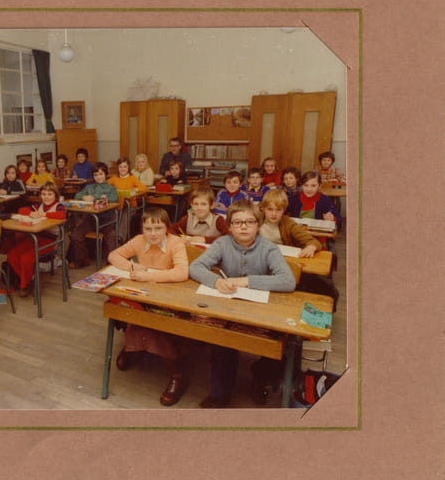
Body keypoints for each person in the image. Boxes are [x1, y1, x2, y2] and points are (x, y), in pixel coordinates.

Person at [189, 200, 296, 407]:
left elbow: (288, 280)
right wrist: (217, 281)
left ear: (258, 225)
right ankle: (220, 395)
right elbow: (196, 267)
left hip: (259, 309)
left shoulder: (269, 248)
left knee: (277, 343)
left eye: (249, 222)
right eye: (237, 223)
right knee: (222, 340)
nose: (244, 227)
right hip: (229, 306)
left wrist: (246, 281)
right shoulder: (222, 243)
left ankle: (260, 376)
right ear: (229, 226)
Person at [108, 207, 191, 406]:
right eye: (148, 229)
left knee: (153, 324)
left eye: (158, 228)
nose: (153, 234)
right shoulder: (139, 240)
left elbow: (181, 273)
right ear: (142, 229)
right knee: (129, 310)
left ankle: (177, 374)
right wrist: (132, 266)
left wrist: (147, 275)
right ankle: (133, 347)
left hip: (168, 294)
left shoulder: (175, 242)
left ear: (167, 228)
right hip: (144, 292)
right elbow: (113, 255)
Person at [7, 182, 66, 297]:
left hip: (50, 241)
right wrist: (31, 213)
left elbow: (61, 215)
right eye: (43, 194)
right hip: (36, 237)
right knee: (12, 254)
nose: (46, 197)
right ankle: (29, 279)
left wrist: (44, 215)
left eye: (50, 194)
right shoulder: (38, 205)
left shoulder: (59, 206)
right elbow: (21, 210)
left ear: (55, 195)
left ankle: (25, 284)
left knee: (26, 258)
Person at [68, 162, 119, 269]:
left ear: (106, 174)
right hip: (91, 219)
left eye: (101, 174)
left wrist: (95, 198)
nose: (98, 177)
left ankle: (112, 262)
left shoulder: (111, 189)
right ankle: (82, 259)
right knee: (76, 234)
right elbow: (77, 195)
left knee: (111, 236)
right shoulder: (89, 187)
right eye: (96, 175)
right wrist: (84, 197)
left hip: (106, 219)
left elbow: (114, 199)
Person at [258, 189, 322, 257]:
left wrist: (312, 246)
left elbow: (313, 242)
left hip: (280, 257)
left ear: (284, 210)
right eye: (270, 209)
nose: (274, 214)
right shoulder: (257, 218)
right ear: (263, 208)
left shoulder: (288, 223)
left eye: (278, 209)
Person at [108, 156, 147, 241]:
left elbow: (144, 188)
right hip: (118, 205)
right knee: (113, 213)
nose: (123, 169)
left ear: (128, 167)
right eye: (120, 167)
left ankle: (120, 237)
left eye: (125, 167)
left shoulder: (132, 178)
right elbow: (105, 186)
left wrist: (135, 189)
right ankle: (111, 235)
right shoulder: (114, 178)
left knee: (125, 214)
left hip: (131, 206)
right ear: (118, 168)